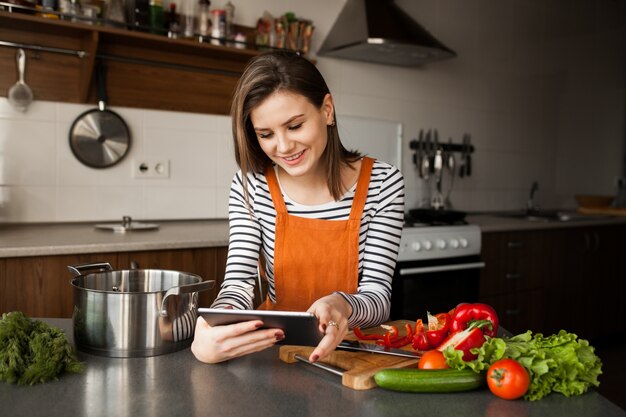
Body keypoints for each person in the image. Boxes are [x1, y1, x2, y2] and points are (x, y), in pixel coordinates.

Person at [191, 50, 405, 364]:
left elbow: (377, 297)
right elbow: (237, 283)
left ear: (327, 110)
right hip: (275, 351)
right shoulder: (251, 184)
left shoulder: (382, 183)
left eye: (294, 126)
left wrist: (341, 305)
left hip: (352, 352)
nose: (283, 147)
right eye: (266, 134)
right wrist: (217, 324)